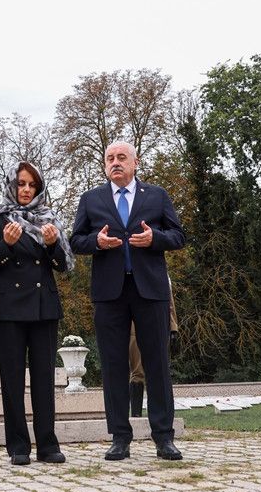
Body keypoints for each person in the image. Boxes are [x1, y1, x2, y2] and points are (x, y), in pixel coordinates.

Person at [70, 141, 185, 462]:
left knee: (157, 365)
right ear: (105, 165)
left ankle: (164, 437)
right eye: (110, 159)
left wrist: (154, 239)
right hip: (110, 294)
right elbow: (75, 240)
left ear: (135, 163)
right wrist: (97, 241)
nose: (115, 163)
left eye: (122, 158)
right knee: (113, 366)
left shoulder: (157, 196)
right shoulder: (91, 199)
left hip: (151, 292)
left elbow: (178, 235)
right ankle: (120, 437)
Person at [0, 160, 72, 466]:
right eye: (21, 184)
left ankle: (48, 444)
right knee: (12, 379)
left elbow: (63, 266)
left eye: (32, 185)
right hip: (8, 308)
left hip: (44, 306)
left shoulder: (49, 220)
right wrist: (5, 244)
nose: (26, 189)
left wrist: (53, 244)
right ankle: (18, 446)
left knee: (44, 379)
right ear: (11, 185)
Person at [127, 286, 178, 417]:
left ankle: (159, 415)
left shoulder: (160, 272)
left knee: (158, 370)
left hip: (157, 324)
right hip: (133, 328)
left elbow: (169, 302)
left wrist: (173, 328)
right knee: (137, 371)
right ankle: (136, 414)